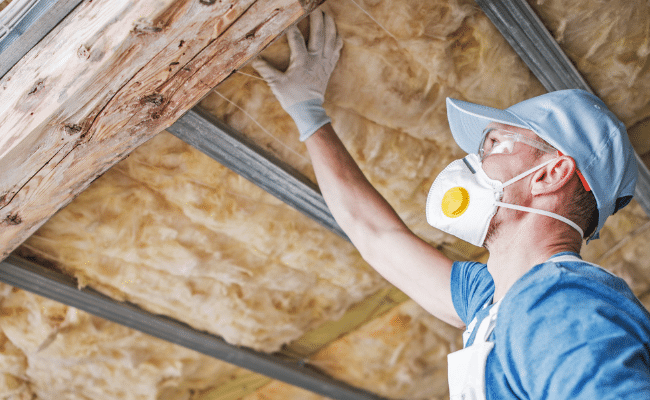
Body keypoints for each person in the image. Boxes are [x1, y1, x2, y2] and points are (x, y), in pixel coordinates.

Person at [252, 9, 650, 399]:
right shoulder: (494, 300)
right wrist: (308, 115)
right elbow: (376, 235)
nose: (476, 160)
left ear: (550, 174)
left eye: (495, 144)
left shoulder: (560, 304)